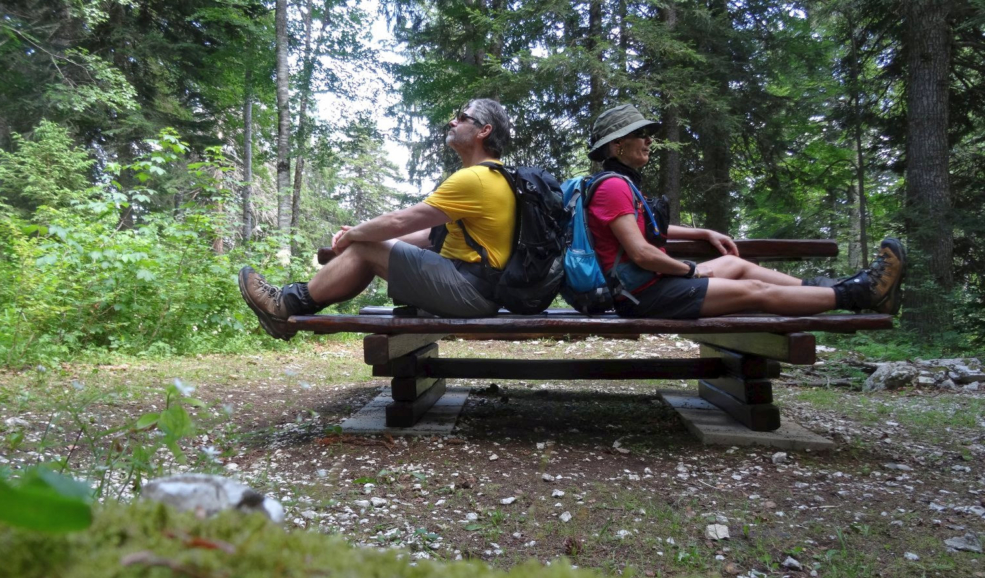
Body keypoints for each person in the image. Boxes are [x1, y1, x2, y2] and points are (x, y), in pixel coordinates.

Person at [582, 103, 905, 319]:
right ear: (616, 145)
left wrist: (703, 233)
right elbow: (641, 254)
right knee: (756, 292)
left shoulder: (623, 184)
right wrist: (691, 270)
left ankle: (841, 286)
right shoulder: (612, 186)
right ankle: (859, 294)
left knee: (736, 264)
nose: (649, 140)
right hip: (643, 295)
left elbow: (645, 229)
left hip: (652, 284)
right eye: (640, 134)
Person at [239, 98, 515, 339]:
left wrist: (356, 236)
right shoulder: (493, 177)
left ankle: (283, 305)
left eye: (463, 117)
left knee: (367, 247)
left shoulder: (475, 178)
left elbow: (399, 221)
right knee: (368, 245)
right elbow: (429, 235)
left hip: (469, 292)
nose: (452, 122)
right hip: (477, 290)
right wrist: (365, 236)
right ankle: (290, 305)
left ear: (484, 130)